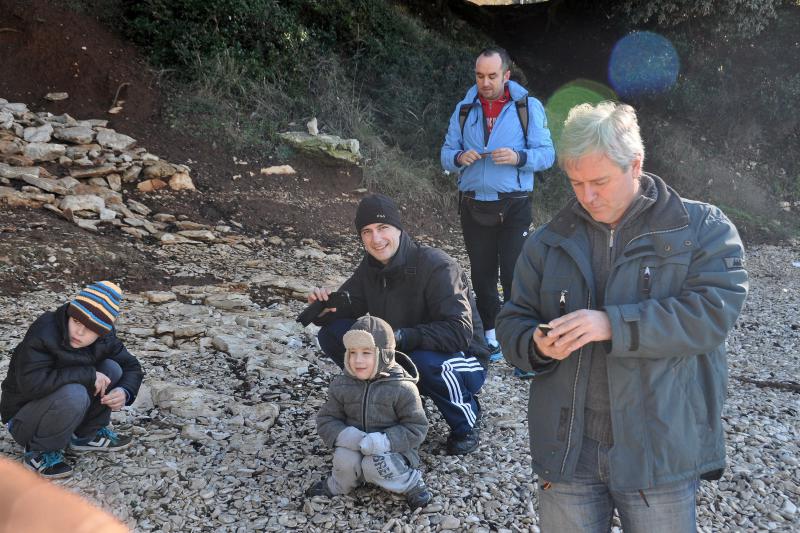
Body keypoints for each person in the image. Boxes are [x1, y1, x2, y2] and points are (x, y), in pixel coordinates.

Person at [496, 101, 748, 532]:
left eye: (599, 181)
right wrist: (535, 344)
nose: (586, 196)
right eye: (576, 182)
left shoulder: (702, 226)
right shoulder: (545, 242)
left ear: (635, 165)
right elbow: (512, 320)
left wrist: (614, 324)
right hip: (568, 447)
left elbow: (711, 315)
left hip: (659, 448)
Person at [308, 193, 487, 455]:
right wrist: (323, 309)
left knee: (426, 362)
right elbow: (347, 308)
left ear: (399, 229)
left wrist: (401, 337)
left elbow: (459, 333)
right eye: (367, 232)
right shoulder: (370, 268)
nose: (376, 239)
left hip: (462, 358)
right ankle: (386, 400)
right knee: (333, 334)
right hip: (403, 348)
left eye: (383, 228)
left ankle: (467, 420)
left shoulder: (438, 265)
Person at [441, 46, 555, 359]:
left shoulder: (527, 107)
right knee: (482, 275)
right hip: (473, 203)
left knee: (515, 276)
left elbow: (547, 155)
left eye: (492, 76)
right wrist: (459, 157)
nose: (485, 82)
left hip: (514, 203)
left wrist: (519, 157)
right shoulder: (464, 108)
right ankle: (491, 339)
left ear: (506, 75)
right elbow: (446, 154)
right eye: (480, 76)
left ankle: (519, 343)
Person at [1, 281, 144, 479]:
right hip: (23, 419)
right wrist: (88, 375)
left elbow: (132, 367)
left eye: (91, 329)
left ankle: (85, 436)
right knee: (74, 392)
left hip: (65, 409)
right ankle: (40, 452)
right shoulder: (44, 331)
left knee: (112, 368)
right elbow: (32, 384)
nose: (80, 333)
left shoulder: (105, 338)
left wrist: (124, 392)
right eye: (77, 322)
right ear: (70, 314)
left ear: (102, 331)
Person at [307, 315, 431, 509]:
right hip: (355, 445)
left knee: (373, 465)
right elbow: (326, 419)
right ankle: (339, 484)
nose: (358, 360)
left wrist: (383, 441)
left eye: (366, 353)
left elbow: (417, 428)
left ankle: (411, 483)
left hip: (392, 451)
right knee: (343, 460)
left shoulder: (403, 388)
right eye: (352, 352)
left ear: (385, 355)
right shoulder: (341, 385)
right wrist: (346, 436)